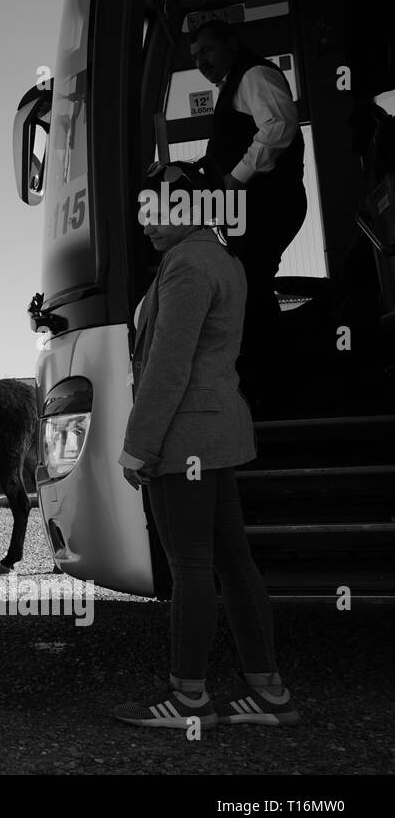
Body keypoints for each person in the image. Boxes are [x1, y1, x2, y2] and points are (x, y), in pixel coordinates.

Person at [113, 206, 299, 730]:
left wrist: (138, 445)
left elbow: (170, 363)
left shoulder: (186, 264)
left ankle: (188, 696)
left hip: (185, 434)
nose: (145, 223)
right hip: (217, 431)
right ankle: (269, 692)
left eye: (156, 212)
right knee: (234, 564)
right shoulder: (224, 260)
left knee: (191, 566)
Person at [189, 19, 308, 405]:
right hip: (257, 207)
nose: (200, 62)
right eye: (194, 57)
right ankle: (271, 377)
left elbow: (279, 125)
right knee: (249, 285)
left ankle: (274, 383)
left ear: (232, 44)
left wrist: (237, 177)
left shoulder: (253, 74)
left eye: (206, 50)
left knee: (250, 286)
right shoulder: (234, 86)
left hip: (270, 204)